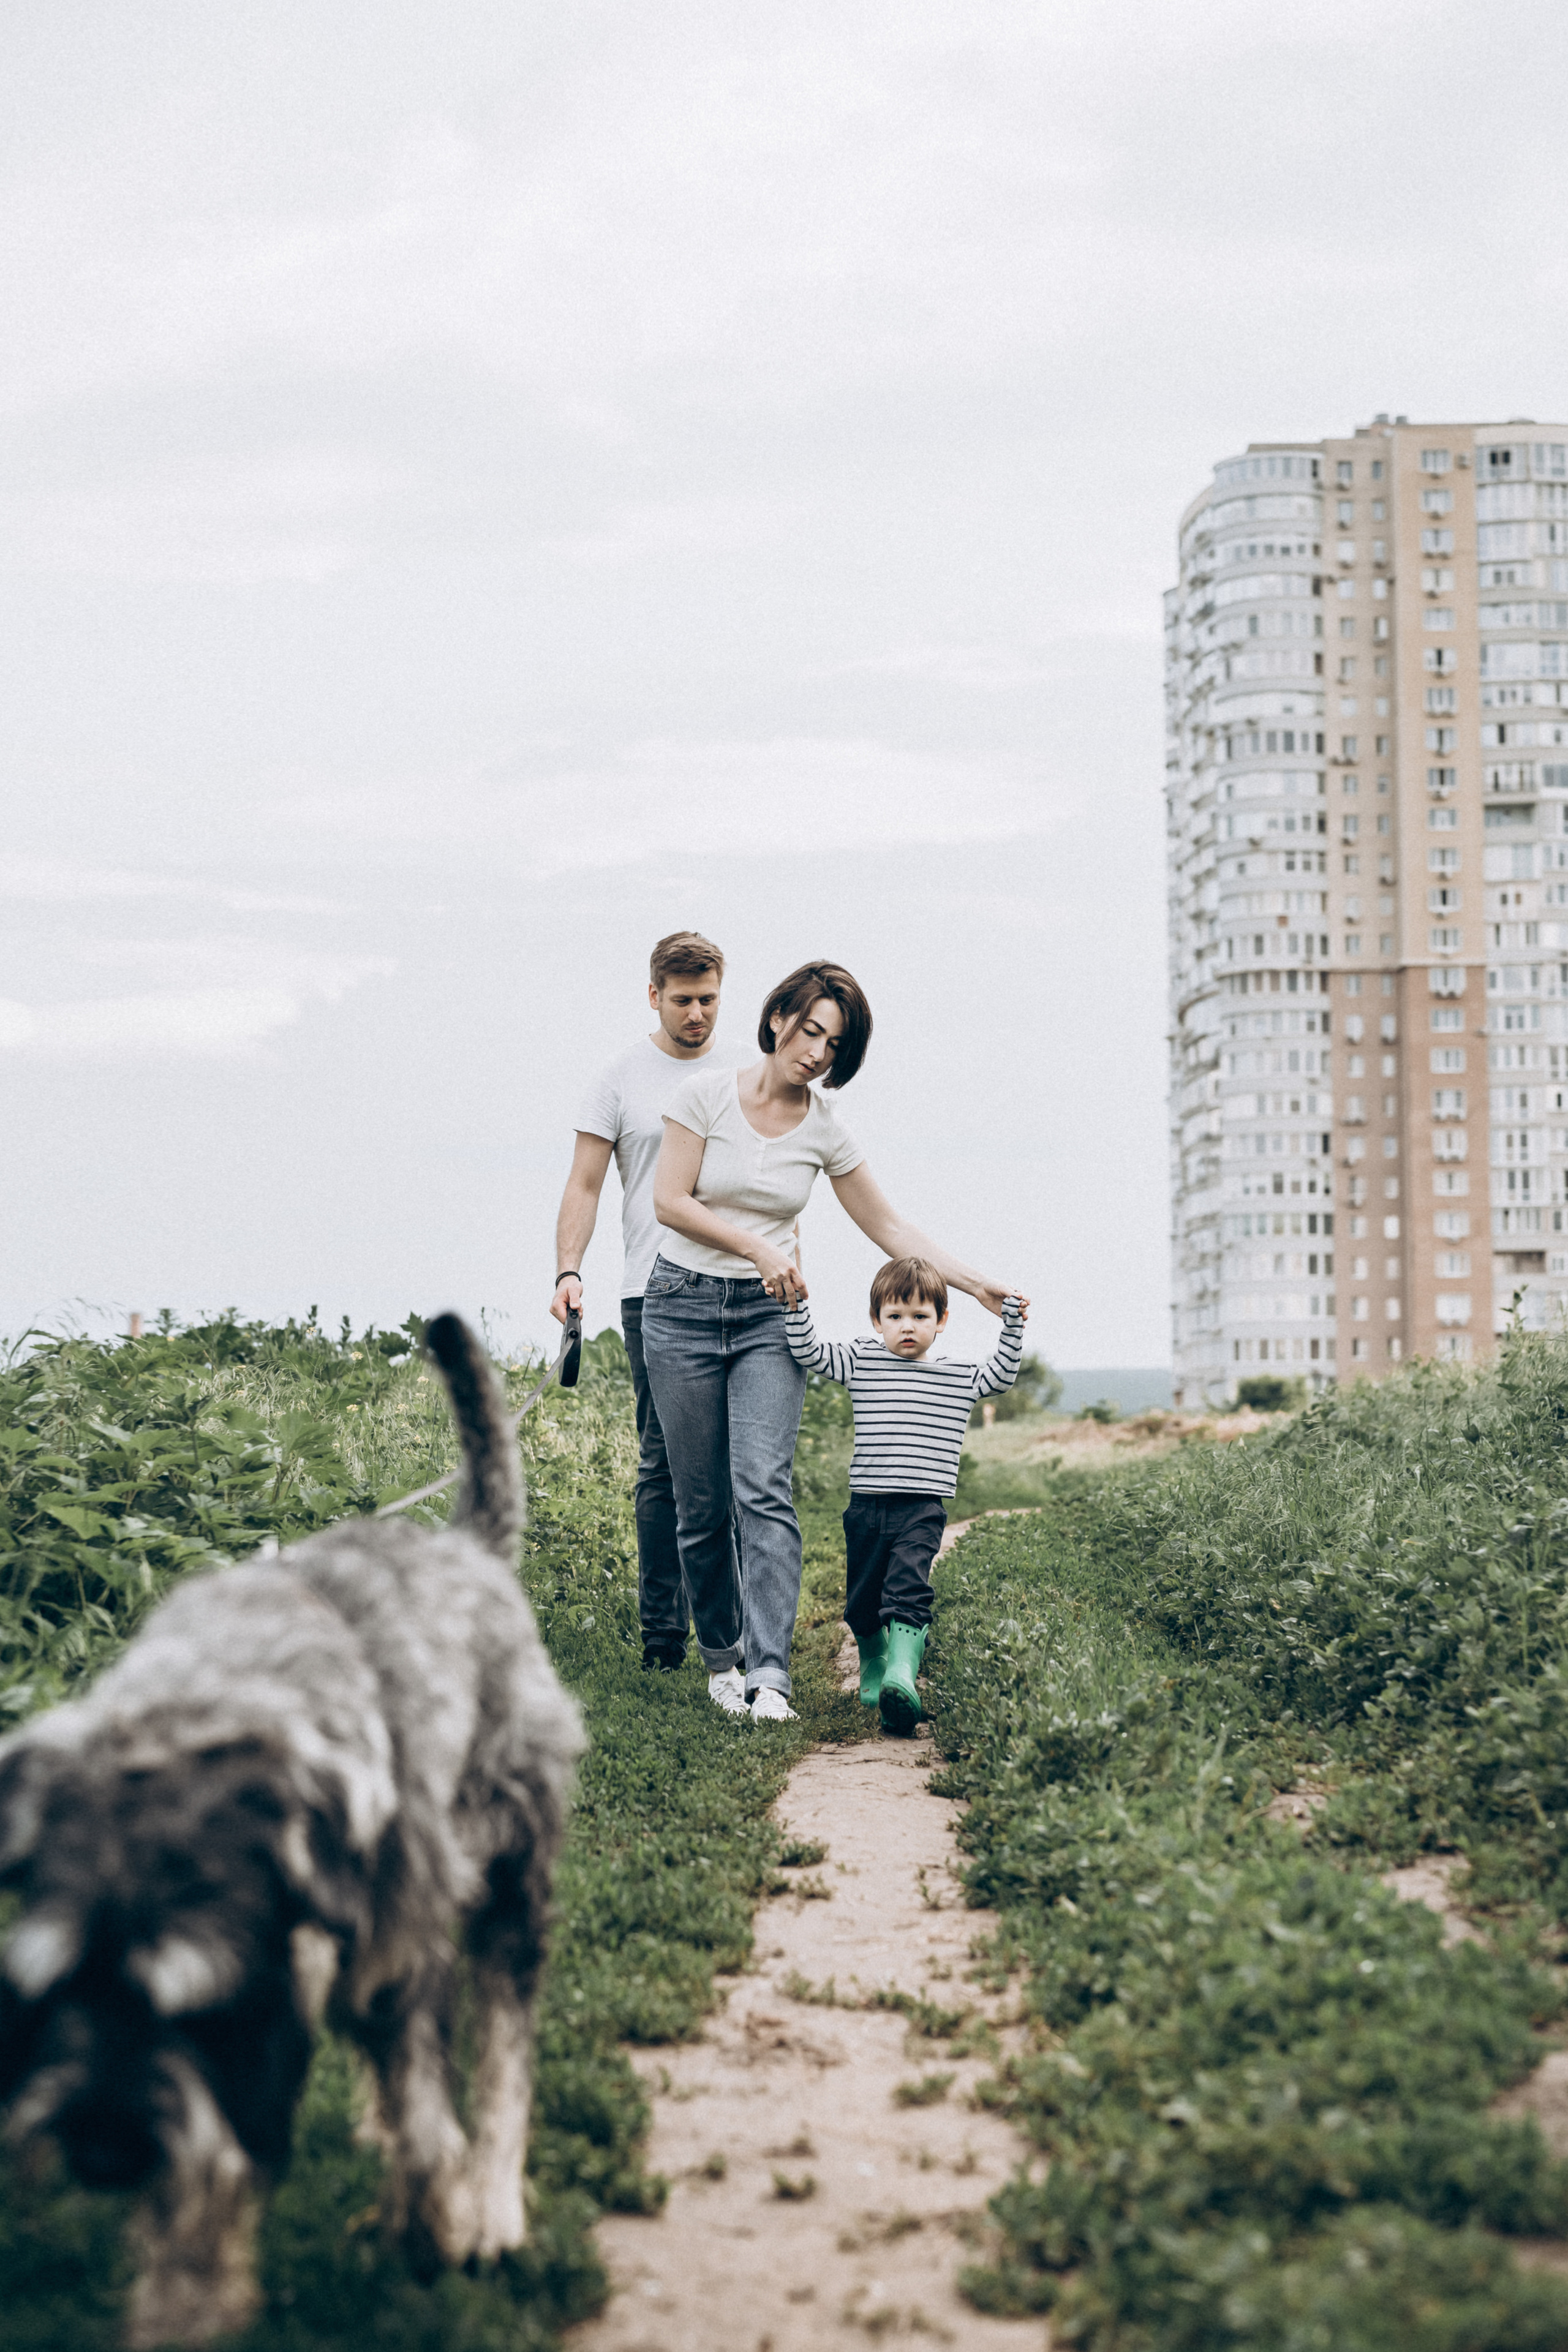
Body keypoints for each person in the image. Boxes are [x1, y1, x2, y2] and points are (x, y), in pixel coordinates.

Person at [645, 959, 1028, 1723]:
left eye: (835, 1043)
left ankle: (770, 1677)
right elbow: (669, 1201)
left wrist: (975, 1283)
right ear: (779, 1015)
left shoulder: (824, 1129)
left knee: (762, 1489)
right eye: (811, 1028)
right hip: (680, 1307)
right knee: (700, 1501)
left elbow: (889, 1228)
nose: (817, 1051)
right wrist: (757, 1247)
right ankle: (721, 1660)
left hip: (767, 1318)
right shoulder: (703, 1096)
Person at [549, 930, 734, 1671]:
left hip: (743, 1286)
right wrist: (568, 1271)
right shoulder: (618, 1078)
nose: (698, 1015)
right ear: (654, 995)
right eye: (684, 1001)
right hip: (650, 1291)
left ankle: (741, 1634)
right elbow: (584, 1185)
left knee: (736, 1468)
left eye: (710, 1000)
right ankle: (664, 1638)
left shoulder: (747, 1074)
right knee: (663, 1468)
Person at [783, 1258, 1027, 1736]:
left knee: (908, 1590)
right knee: (862, 1602)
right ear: (877, 1321)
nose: (907, 1327)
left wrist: (1012, 1322)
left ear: (941, 1321)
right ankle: (874, 1664)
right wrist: (796, 1307)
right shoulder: (861, 1360)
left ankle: (902, 1673)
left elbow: (1000, 1375)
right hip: (867, 1505)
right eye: (895, 1316)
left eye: (920, 1316)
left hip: (922, 1507)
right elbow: (809, 1351)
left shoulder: (958, 1375)